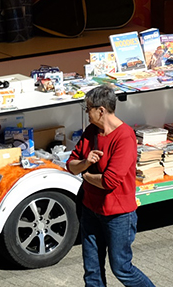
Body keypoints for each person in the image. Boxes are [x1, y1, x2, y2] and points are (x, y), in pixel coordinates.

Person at [67, 86, 156, 287]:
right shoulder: (91, 132)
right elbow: (71, 165)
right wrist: (85, 163)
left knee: (121, 268)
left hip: (118, 216)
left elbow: (109, 181)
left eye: (88, 108)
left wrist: (85, 174)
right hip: (90, 209)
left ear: (101, 110)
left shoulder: (124, 137)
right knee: (92, 271)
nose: (86, 113)